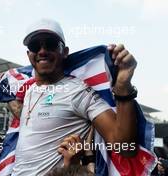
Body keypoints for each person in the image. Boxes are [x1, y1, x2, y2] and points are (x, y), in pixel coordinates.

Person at [9, 19, 138, 175]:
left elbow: (125, 148)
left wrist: (123, 86)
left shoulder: (77, 91)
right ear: (29, 54)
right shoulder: (29, 90)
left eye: (50, 44)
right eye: (35, 46)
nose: (42, 51)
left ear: (65, 52)